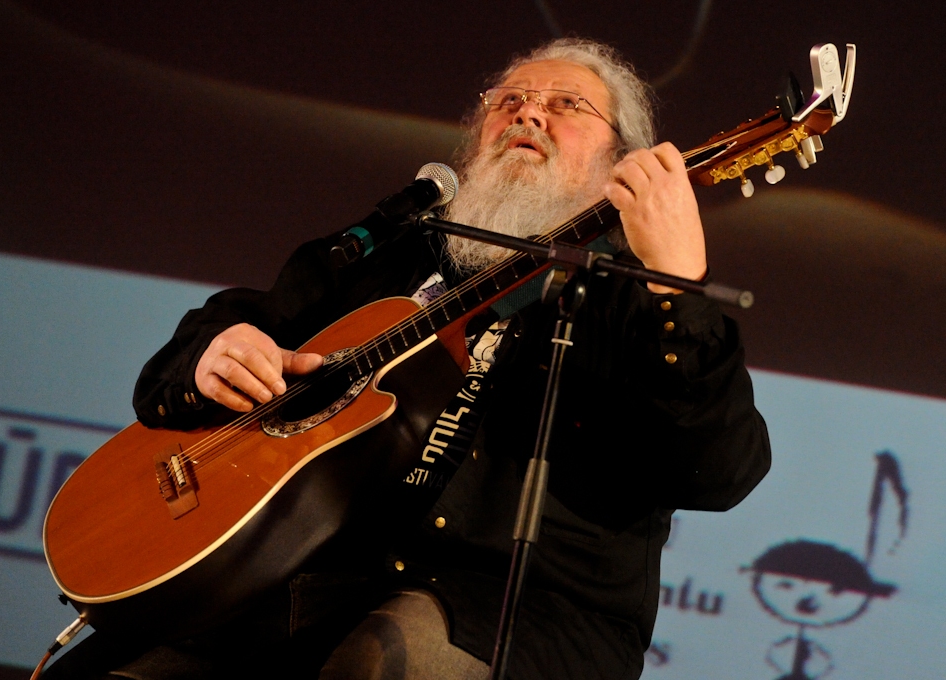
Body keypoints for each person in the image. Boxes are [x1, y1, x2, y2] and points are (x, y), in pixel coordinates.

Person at [47, 37, 770, 680]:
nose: (527, 114)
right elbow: (195, 356)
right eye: (508, 101)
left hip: (510, 610)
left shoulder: (635, 299)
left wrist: (677, 283)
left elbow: (721, 470)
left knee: (382, 662)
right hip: (302, 578)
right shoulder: (394, 252)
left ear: (625, 163)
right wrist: (213, 354)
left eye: (566, 104)